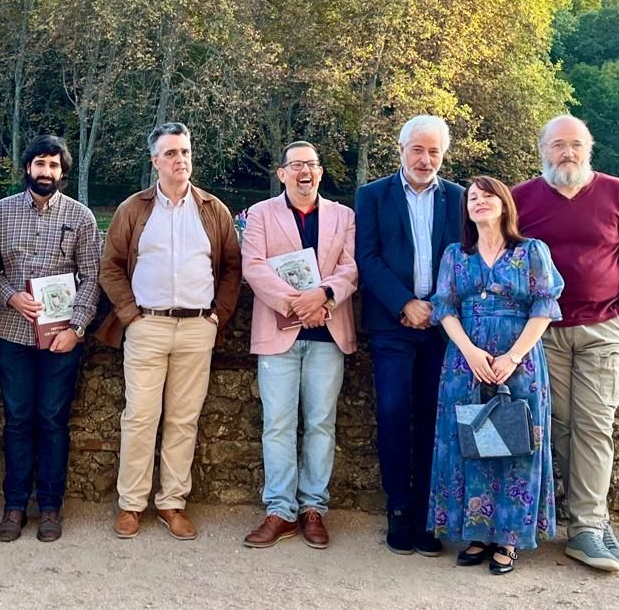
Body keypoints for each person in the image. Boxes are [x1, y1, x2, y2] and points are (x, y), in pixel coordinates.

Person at [514, 116, 619, 573]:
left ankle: (589, 527)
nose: (567, 153)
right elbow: (503, 257)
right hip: (542, 331)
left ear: (588, 149)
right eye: (558, 145)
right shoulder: (522, 198)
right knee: (558, 425)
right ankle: (571, 520)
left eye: (575, 145)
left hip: (600, 329)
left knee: (595, 425)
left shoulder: (617, 193)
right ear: (543, 151)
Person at [98, 122, 242, 540]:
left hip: (198, 326)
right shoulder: (134, 208)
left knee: (184, 419)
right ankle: (131, 504)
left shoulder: (213, 209)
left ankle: (172, 503)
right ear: (154, 161)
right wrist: (131, 315)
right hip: (147, 325)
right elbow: (110, 265)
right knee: (140, 417)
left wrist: (218, 316)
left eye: (185, 152)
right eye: (171, 153)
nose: (180, 160)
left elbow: (232, 266)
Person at [425, 176, 563, 574]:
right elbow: (445, 307)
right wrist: (469, 351)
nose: (479, 202)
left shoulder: (531, 251)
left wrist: (513, 356)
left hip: (518, 363)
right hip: (465, 363)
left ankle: (509, 537)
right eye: (472, 197)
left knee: (515, 443)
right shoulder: (456, 254)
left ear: (504, 204)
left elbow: (544, 306)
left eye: (487, 196)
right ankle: (478, 531)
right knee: (470, 443)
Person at [354, 115, 466, 556]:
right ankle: (399, 508)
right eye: (417, 150)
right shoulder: (373, 195)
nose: (425, 159)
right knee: (395, 412)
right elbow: (368, 256)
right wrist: (405, 303)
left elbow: (465, 259)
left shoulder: (458, 198)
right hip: (392, 325)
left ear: (443, 154)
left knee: (434, 419)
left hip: (444, 328)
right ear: (400, 150)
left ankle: (427, 512)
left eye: (434, 151)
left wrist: (436, 307)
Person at [240, 141, 358, 549]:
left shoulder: (344, 216)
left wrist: (322, 295)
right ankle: (279, 510)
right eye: (296, 165)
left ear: (321, 173)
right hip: (278, 332)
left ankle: (313, 509)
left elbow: (350, 267)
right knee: (278, 424)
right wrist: (297, 304)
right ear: (282, 173)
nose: (304, 171)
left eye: (311, 165)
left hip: (328, 333)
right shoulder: (260, 214)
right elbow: (252, 266)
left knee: (322, 423)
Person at [0, 134, 101, 543]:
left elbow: (92, 277)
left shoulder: (81, 217)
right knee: (17, 421)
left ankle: (50, 507)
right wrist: (11, 296)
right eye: (40, 164)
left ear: (62, 172)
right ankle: (15, 506)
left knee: (53, 422)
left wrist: (77, 329)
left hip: (61, 340)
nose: (46, 172)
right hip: (14, 336)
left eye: (54, 166)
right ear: (27, 168)